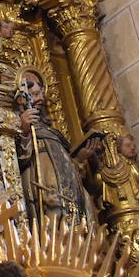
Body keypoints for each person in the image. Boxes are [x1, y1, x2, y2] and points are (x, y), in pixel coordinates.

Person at [13, 68, 88, 225]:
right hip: (43, 184)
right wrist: (24, 130)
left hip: (68, 188)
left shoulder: (51, 131)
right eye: (34, 94)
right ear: (21, 97)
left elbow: (66, 164)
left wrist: (79, 158)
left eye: (41, 93)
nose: (41, 98)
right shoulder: (14, 125)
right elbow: (13, 161)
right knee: (52, 217)